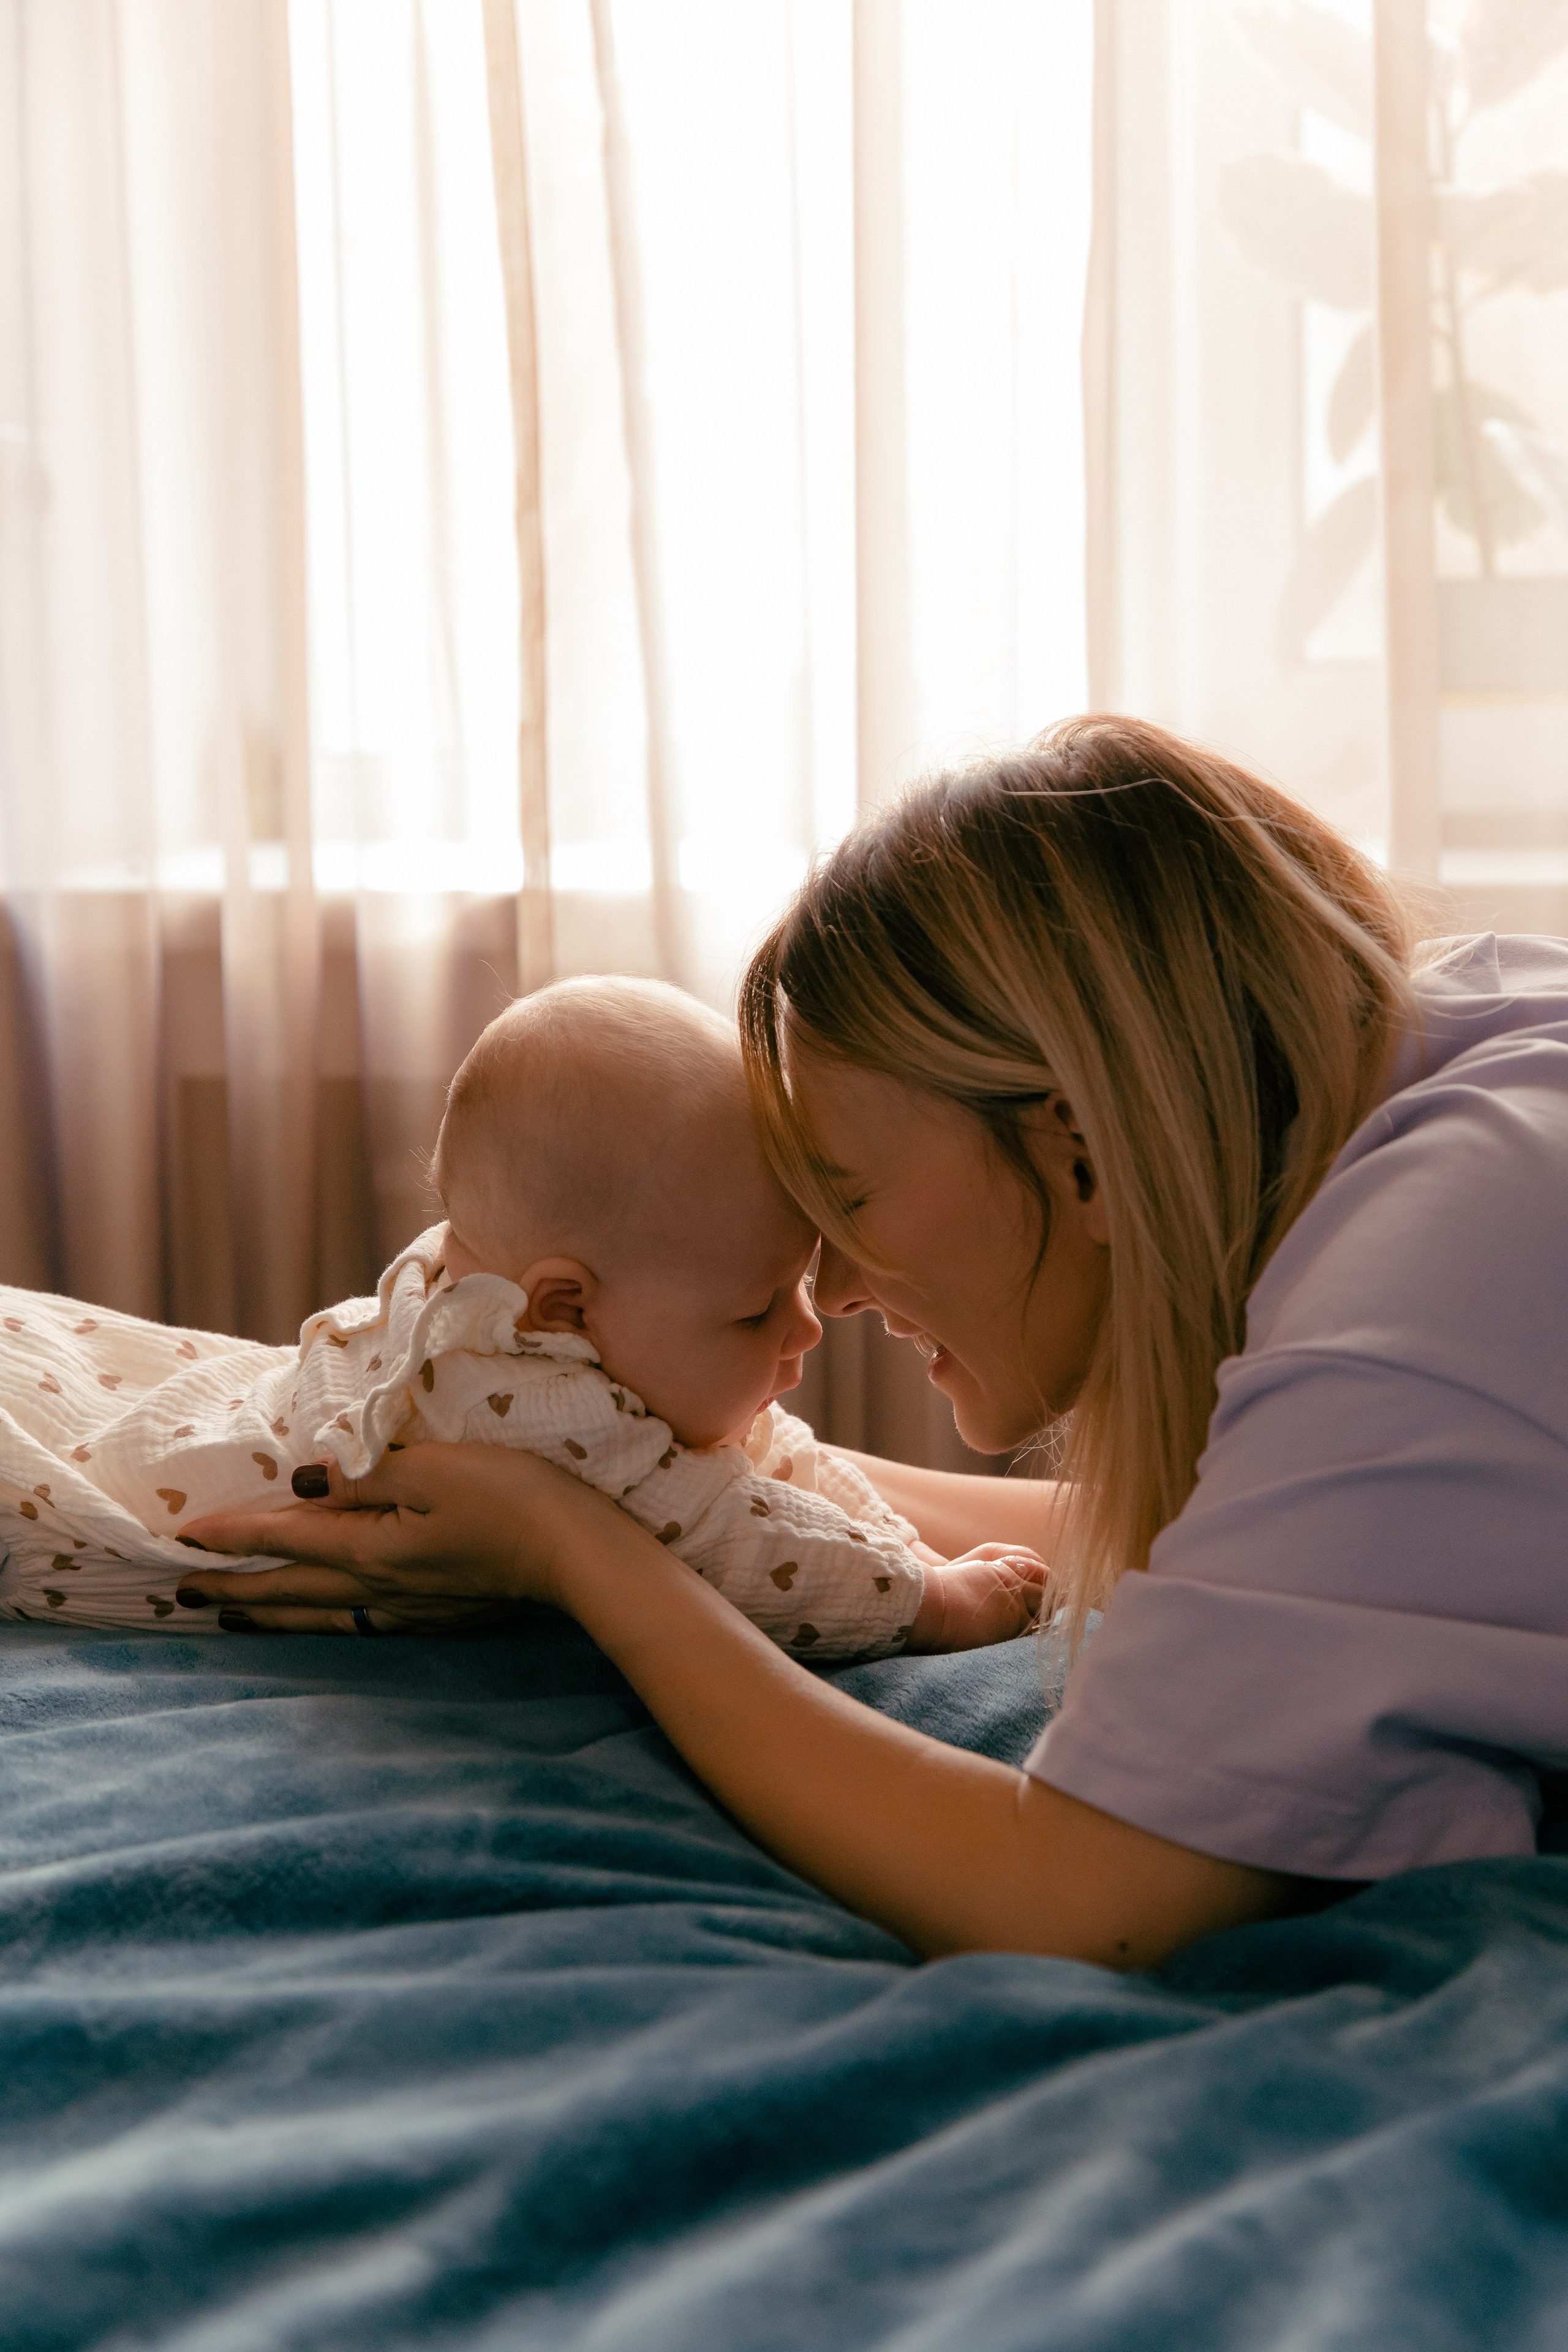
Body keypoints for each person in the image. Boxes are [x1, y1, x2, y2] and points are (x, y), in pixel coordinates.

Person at [175, 715, 1568, 1972]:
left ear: (1076, 1148)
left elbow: (1078, 1900)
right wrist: (678, 1479)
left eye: (847, 1194)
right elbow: (1263, 1560)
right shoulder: (1456, 1060)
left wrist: (575, 1552)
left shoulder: (1418, 1303)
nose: (829, 1285)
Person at [0, 978, 1042, 1654]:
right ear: (564, 1308)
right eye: (757, 1310)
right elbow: (742, 1543)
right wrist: (928, 1602)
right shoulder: (527, 1408)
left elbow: (769, 1464)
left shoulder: (523, 1307)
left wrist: (901, 1541)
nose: (811, 1326)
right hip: (95, 1515)